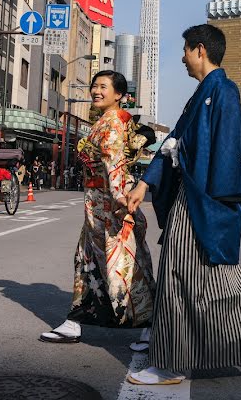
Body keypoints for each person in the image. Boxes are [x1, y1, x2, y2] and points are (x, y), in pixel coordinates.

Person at [125, 24, 241, 386]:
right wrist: (146, 181)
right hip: (195, 196)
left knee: (184, 274)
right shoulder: (205, 92)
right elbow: (174, 140)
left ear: (200, 50)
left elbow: (227, 153)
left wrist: (218, 207)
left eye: (185, 50)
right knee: (207, 277)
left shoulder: (223, 91)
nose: (182, 58)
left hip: (204, 198)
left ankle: (172, 362)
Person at [40, 70, 156, 346]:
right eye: (94, 86)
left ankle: (154, 328)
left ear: (119, 95)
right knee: (88, 260)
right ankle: (75, 321)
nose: (96, 90)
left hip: (110, 205)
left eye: (103, 87)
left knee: (126, 266)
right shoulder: (104, 121)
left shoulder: (113, 122)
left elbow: (113, 164)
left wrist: (119, 200)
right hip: (96, 203)